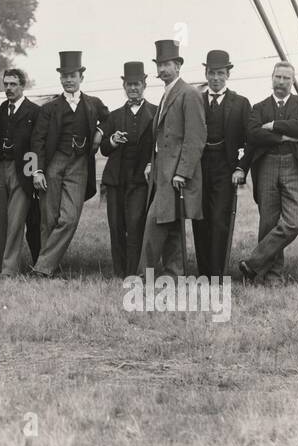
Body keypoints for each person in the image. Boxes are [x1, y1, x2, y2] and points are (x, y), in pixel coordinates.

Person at [29, 51, 109, 277]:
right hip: (53, 163)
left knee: (69, 218)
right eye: (64, 76)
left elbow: (110, 118)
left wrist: (100, 132)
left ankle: (42, 266)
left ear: (81, 77)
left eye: (72, 75)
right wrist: (36, 170)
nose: (68, 80)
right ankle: (48, 269)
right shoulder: (49, 108)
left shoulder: (93, 104)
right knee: (49, 219)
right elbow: (37, 141)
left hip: (79, 164)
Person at [239, 62, 298, 286]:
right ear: (272, 78)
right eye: (278, 77)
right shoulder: (259, 107)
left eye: (286, 78)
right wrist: (282, 137)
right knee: (268, 221)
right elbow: (252, 134)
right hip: (266, 165)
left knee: (294, 221)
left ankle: (253, 263)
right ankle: (272, 277)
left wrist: (272, 125)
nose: (281, 82)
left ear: (293, 81)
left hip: (294, 165)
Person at [137, 39, 207, 277]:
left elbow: (196, 137)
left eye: (167, 64)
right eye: (159, 65)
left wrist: (182, 172)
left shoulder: (189, 93)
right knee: (172, 224)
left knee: (155, 222)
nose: (162, 69)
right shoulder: (167, 94)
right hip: (162, 171)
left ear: (178, 65)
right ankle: (174, 274)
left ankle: (141, 276)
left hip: (175, 173)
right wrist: (151, 163)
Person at [191, 50, 251, 278]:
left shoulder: (241, 103)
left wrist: (240, 167)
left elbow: (249, 140)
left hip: (225, 168)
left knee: (219, 219)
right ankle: (203, 272)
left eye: (220, 73)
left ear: (228, 74)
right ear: (206, 74)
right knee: (200, 219)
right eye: (212, 73)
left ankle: (217, 272)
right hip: (199, 167)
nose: (216, 78)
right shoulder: (195, 99)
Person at [99, 61, 156, 280]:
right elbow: (103, 148)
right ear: (124, 85)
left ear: (144, 85)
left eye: (137, 84)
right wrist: (112, 140)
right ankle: (118, 271)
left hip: (140, 179)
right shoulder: (113, 116)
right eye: (129, 84)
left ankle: (133, 272)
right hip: (116, 179)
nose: (133, 88)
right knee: (116, 226)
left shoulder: (155, 113)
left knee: (135, 224)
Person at [0, 67, 38, 276]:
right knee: (0, 220)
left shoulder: (34, 111)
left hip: (21, 171)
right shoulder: (0, 110)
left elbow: (36, 146)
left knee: (16, 219)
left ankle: (9, 270)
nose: (9, 88)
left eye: (13, 84)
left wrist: (30, 175)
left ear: (22, 85)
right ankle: (5, 263)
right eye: (6, 84)